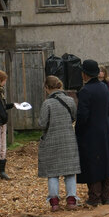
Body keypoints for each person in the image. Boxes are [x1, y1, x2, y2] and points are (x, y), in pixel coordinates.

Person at [76, 60, 109, 206]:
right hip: (104, 130)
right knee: (105, 162)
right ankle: (106, 197)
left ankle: (94, 197)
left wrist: (78, 131)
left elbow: (82, 116)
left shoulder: (85, 91)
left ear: (85, 74)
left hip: (90, 132)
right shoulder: (104, 87)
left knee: (92, 163)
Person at [38, 75, 80, 210]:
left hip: (51, 140)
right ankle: (71, 200)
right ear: (60, 86)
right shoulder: (70, 100)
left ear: (47, 88)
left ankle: (54, 202)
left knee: (53, 172)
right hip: (68, 139)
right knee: (70, 171)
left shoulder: (47, 103)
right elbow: (74, 116)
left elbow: (42, 124)